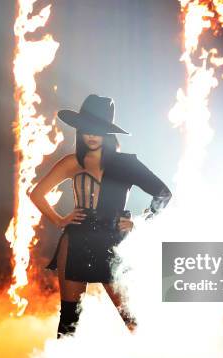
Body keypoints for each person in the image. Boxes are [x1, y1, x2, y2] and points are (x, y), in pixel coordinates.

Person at [29, 94, 172, 338]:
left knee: (130, 317)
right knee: (69, 318)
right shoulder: (71, 162)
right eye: (86, 130)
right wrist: (59, 219)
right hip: (75, 241)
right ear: (79, 131)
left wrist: (139, 220)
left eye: (98, 130)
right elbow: (37, 193)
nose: (92, 136)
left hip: (112, 242)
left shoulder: (126, 164)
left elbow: (163, 193)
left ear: (107, 133)